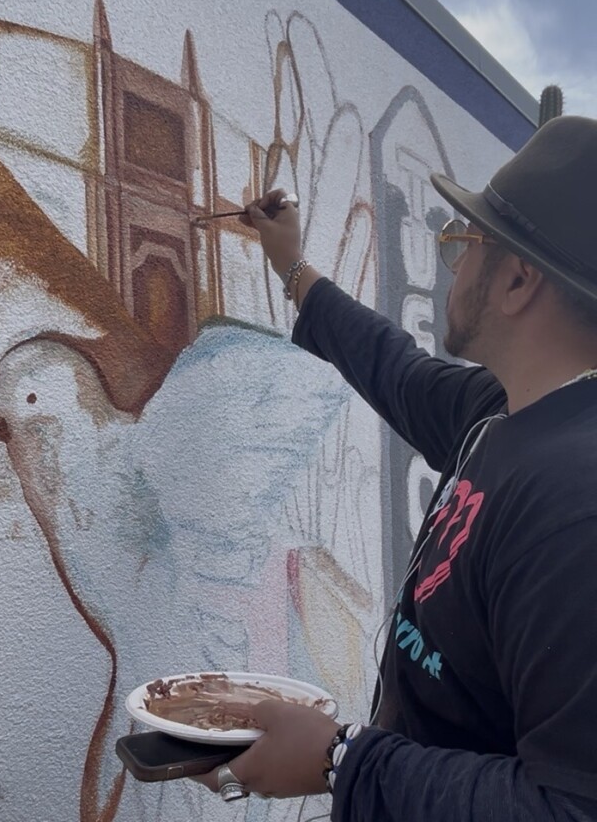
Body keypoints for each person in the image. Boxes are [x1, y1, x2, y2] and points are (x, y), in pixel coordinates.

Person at [194, 115, 597, 820]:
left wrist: (340, 758)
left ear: (517, 281)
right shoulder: (500, 412)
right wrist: (292, 266)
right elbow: (392, 367)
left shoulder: (574, 505)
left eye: (460, 243)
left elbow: (567, 806)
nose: (452, 262)